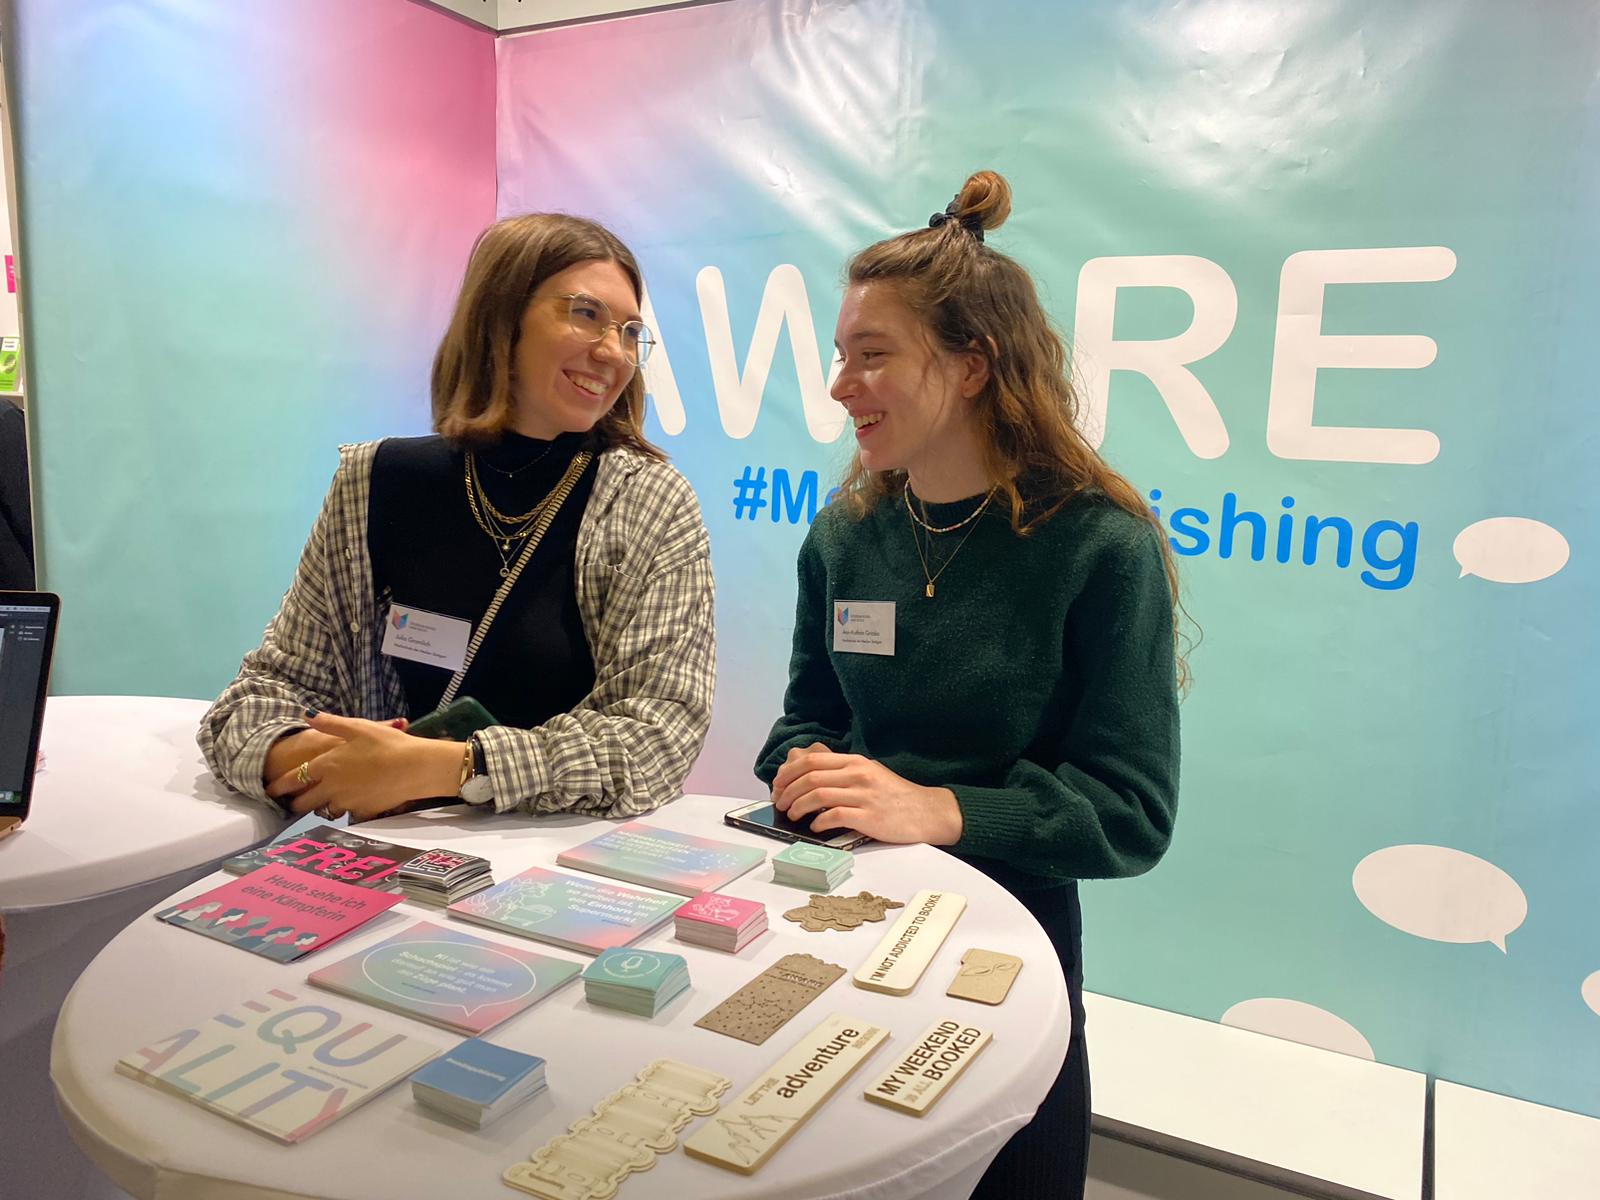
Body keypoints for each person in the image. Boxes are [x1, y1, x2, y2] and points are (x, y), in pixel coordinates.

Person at [756, 171, 1182, 1199]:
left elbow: (1129, 814)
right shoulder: (846, 536)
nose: (840, 385)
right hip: (844, 931)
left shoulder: (1098, 548)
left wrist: (938, 809)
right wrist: (802, 769)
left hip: (1007, 954)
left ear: (973, 364)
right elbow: (801, 721)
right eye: (839, 356)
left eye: (872, 356)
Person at [200, 214, 715, 823]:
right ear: (502, 315)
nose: (613, 351)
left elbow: (658, 737)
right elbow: (254, 702)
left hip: (564, 869)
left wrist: (447, 767)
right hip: (391, 857)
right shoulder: (375, 481)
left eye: (631, 331)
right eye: (586, 314)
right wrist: (327, 762)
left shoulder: (648, 502)